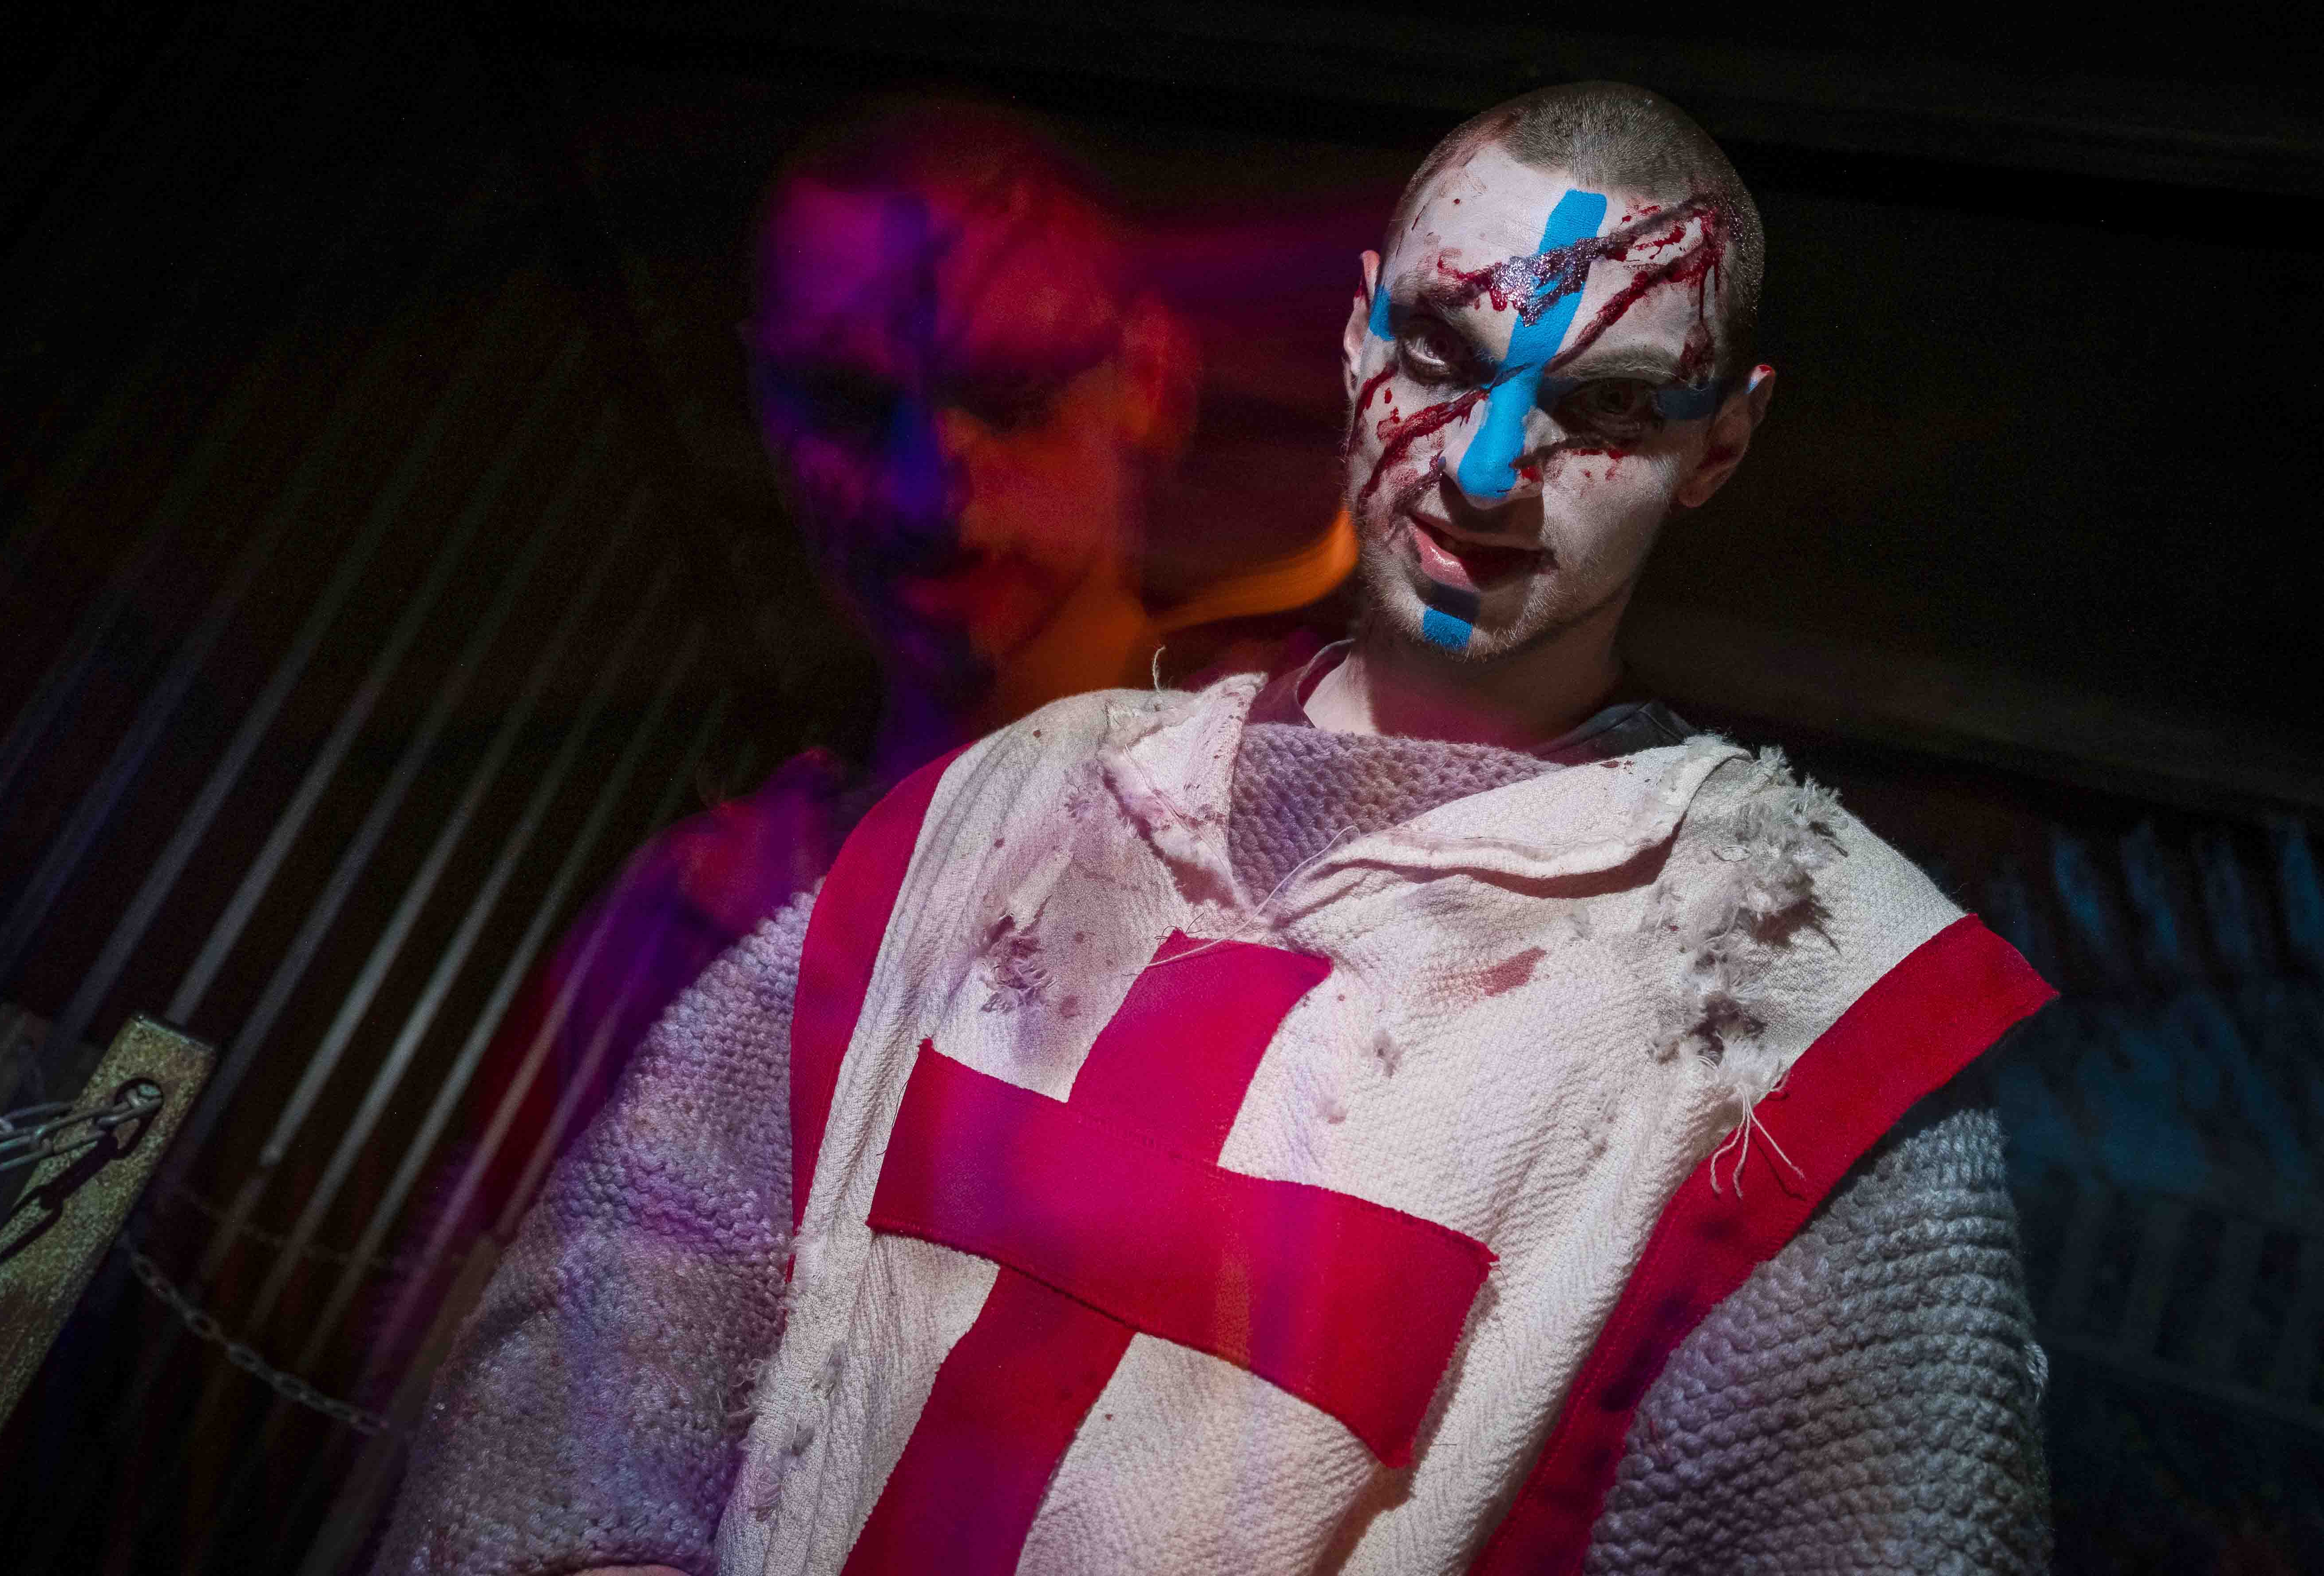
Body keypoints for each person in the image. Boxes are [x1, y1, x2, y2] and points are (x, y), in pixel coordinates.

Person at [382, 83, 2053, 1576]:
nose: (1482, 472)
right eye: (1440, 357)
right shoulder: (1006, 811)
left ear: (1725, 442)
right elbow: (635, 1293)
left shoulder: (1785, 1023)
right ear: (1351, 339)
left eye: (1604, 410)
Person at [409, 99, 1355, 1322]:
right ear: (765, 404)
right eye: (847, 404)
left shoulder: (1334, 811)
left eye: (1010, 393)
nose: (927, 495)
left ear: (1152, 376)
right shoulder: (695, 913)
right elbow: (469, 1392)